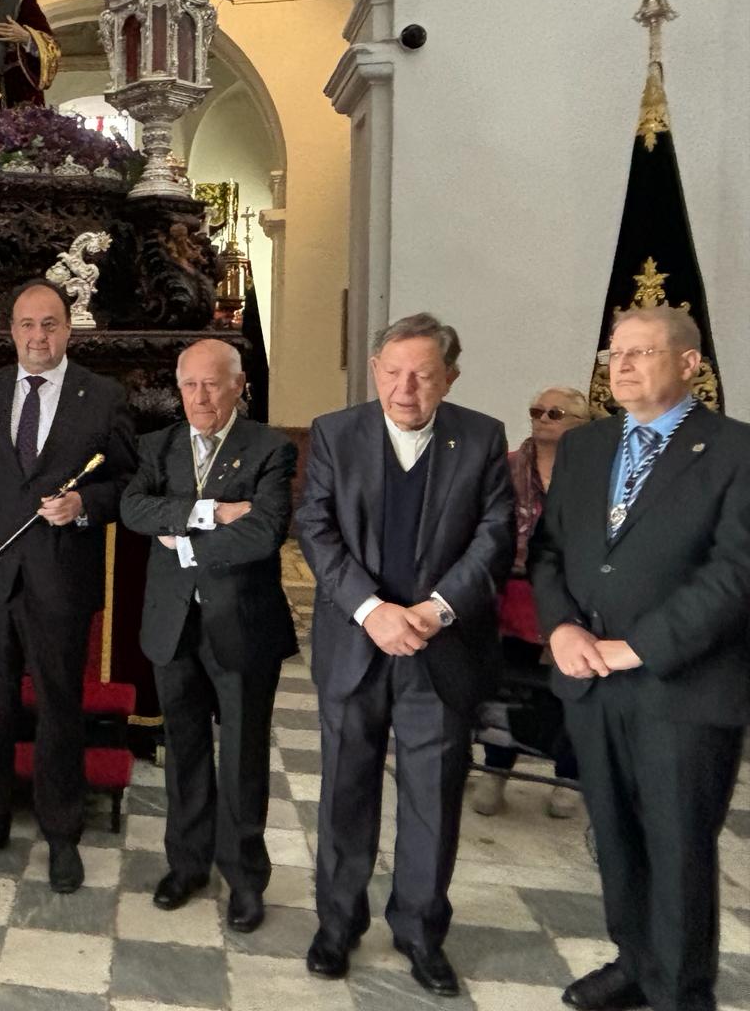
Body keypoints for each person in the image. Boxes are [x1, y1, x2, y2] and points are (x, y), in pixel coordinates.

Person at [531, 306, 750, 1011]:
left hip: (681, 687)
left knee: (678, 847)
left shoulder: (736, 450)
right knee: (616, 837)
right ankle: (635, 962)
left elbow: (736, 574)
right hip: (590, 681)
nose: (621, 366)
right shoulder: (586, 446)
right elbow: (549, 551)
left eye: (641, 353)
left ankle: (682, 992)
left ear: (689, 364)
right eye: (614, 354)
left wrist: (641, 647)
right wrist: (561, 628)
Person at [295, 312, 513, 997]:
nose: (405, 387)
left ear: (450, 377)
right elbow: (316, 527)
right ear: (374, 371)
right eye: (392, 372)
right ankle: (337, 925)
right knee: (345, 790)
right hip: (356, 643)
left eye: (422, 374)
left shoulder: (482, 438)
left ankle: (420, 932)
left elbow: (495, 536)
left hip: (438, 648)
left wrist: (435, 610)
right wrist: (373, 610)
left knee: (433, 797)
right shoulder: (336, 433)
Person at [0, 279, 136, 893]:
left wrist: (84, 504)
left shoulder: (103, 396)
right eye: (27, 324)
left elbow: (129, 483)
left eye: (50, 324)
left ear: (69, 329)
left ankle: (62, 833)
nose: (38, 336)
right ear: (12, 331)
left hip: (60, 582)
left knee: (60, 709)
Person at [119, 339, 297, 933]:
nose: (200, 397)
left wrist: (183, 541)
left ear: (238, 386)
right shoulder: (158, 445)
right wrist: (210, 513)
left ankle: (244, 879)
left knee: (243, 756)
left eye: (212, 384)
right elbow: (134, 509)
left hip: (243, 625)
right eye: (190, 385)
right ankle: (187, 865)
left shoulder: (270, 447)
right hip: (173, 624)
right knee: (184, 749)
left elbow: (266, 531)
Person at [471, 384, 587, 820]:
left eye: (554, 413)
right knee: (505, 685)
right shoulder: (507, 467)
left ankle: (570, 775)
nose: (542, 418)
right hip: (512, 593)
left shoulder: (596, 472)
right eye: (537, 410)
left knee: (573, 689)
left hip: (573, 597)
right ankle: (496, 768)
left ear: (580, 423)